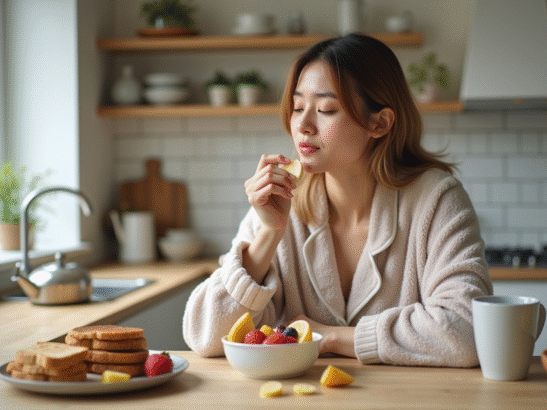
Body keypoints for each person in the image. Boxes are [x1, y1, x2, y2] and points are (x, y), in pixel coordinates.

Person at [183, 34, 492, 367]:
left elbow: (468, 331)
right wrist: (268, 234)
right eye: (298, 107)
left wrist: (332, 337)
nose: (302, 125)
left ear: (380, 122)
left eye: (326, 109)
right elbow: (204, 336)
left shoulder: (436, 198)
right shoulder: (282, 200)